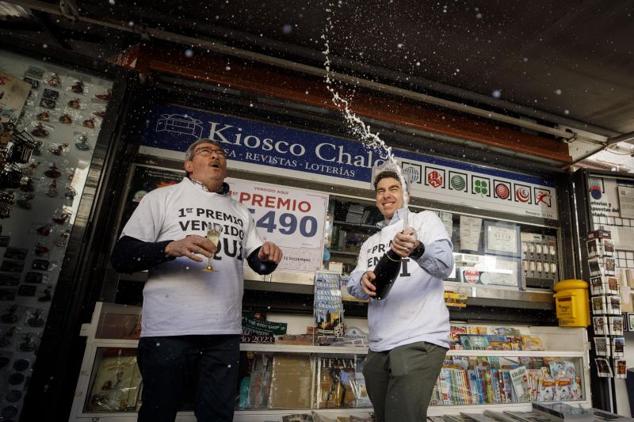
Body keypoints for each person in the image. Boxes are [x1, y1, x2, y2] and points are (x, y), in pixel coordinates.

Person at [111, 138, 283, 422]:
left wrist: (268, 256)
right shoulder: (161, 198)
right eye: (206, 151)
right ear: (188, 165)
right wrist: (169, 247)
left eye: (220, 153)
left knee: (217, 415)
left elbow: (259, 263)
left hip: (223, 333)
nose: (216, 155)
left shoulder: (240, 211)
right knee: (158, 413)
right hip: (168, 332)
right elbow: (122, 257)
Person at [346, 169, 454, 422]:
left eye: (393, 188)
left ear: (407, 194)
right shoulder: (370, 242)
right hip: (378, 346)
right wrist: (362, 281)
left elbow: (445, 265)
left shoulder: (425, 221)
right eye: (381, 191)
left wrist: (417, 249)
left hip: (418, 338)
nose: (386, 195)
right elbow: (353, 284)